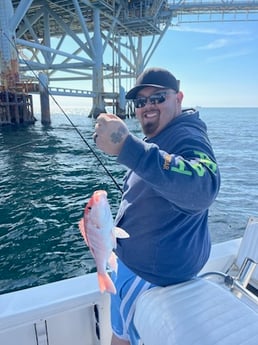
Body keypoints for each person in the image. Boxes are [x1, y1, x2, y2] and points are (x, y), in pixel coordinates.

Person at [93, 67, 220, 345]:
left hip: (151, 274)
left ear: (179, 98)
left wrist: (126, 145)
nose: (147, 107)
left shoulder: (188, 136)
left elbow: (204, 186)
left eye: (158, 98)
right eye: (140, 102)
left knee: (122, 339)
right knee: (122, 331)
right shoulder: (159, 137)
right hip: (134, 265)